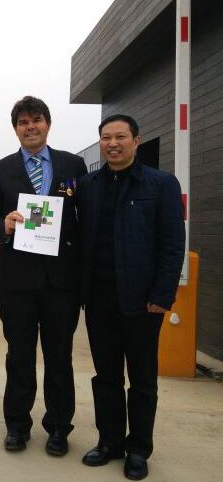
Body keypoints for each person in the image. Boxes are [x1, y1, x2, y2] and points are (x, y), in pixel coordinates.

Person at [77, 114, 185, 481]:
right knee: (106, 376)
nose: (113, 144)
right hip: (99, 299)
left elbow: (173, 244)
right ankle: (109, 442)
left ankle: (138, 449)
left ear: (136, 141)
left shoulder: (161, 184)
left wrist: (162, 294)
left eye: (120, 137)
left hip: (142, 302)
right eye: (106, 137)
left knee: (142, 379)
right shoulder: (88, 185)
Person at [0, 96, 87, 455]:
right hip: (16, 281)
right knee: (19, 357)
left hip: (61, 282)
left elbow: (84, 217)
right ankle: (17, 425)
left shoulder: (73, 164)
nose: (30, 127)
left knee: (60, 358)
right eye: (23, 122)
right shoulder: (0, 169)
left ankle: (58, 427)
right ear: (16, 129)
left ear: (48, 123)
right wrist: (4, 224)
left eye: (36, 120)